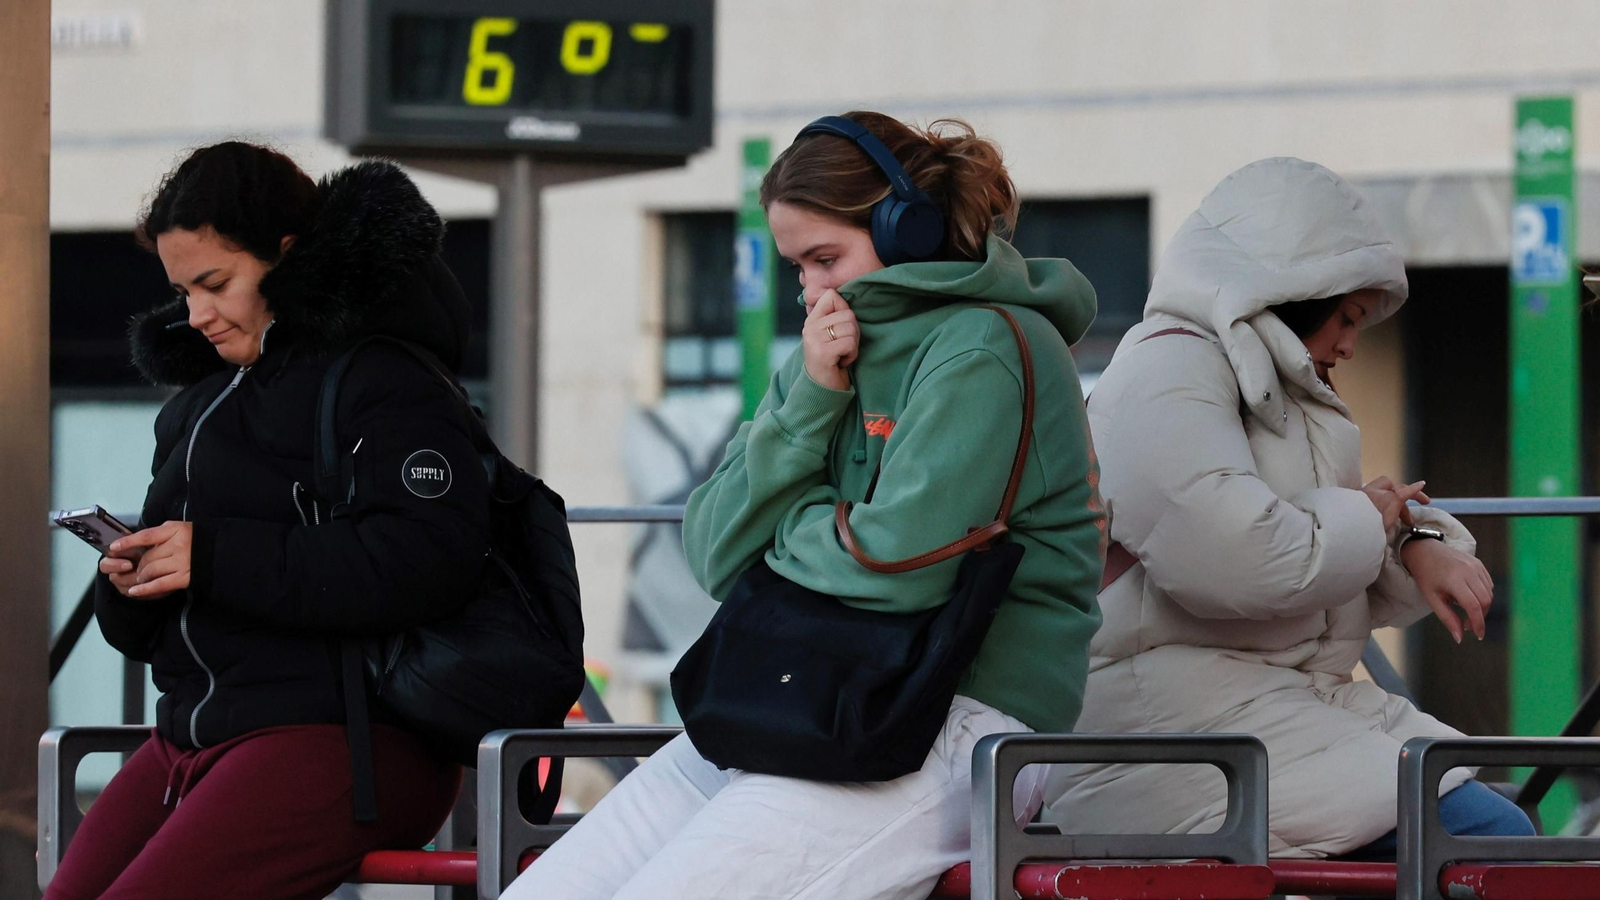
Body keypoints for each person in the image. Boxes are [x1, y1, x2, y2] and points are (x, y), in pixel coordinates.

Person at [504, 111, 1104, 900]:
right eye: (797, 268)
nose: (811, 291)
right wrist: (814, 402)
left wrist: (784, 527)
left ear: (908, 232)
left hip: (957, 719)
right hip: (804, 693)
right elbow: (715, 547)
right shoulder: (824, 353)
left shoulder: (986, 348)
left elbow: (896, 565)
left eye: (827, 259)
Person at [1042, 157, 1533, 858]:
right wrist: (1372, 519)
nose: (1350, 345)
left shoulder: (1286, 394)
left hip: (1265, 710)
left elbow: (1319, 562)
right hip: (1171, 734)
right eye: (1346, 318)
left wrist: (1414, 543)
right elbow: (1237, 560)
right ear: (1290, 291)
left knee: (1506, 834)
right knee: (1491, 841)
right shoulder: (1165, 373)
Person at [46, 142, 487, 900]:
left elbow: (428, 559)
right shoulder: (199, 403)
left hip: (344, 742)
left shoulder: (384, 378)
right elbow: (160, 624)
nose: (197, 316)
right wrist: (132, 579)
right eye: (182, 292)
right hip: (191, 735)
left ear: (285, 255)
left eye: (215, 284)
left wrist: (211, 557)